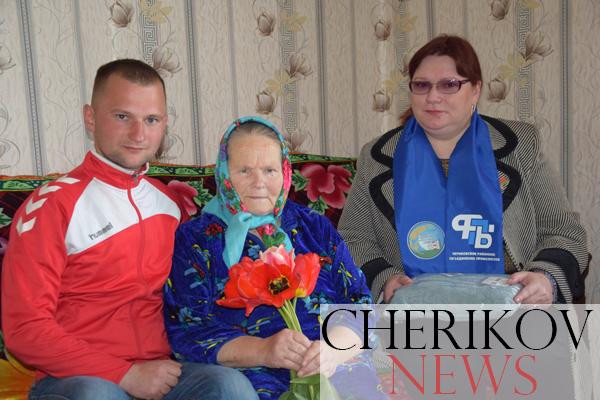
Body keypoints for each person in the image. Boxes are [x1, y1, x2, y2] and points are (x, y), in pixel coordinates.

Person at [1, 59, 256, 400]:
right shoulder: (52, 206)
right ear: (90, 118)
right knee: (96, 394)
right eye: (123, 116)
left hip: (161, 371)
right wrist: (123, 374)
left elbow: (193, 296)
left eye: (151, 120)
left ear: (164, 124)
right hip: (76, 378)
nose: (139, 134)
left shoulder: (169, 205)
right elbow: (24, 329)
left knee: (228, 385)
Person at [338, 35, 588, 305]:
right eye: (421, 85)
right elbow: (354, 238)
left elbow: (564, 231)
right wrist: (385, 279)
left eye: (449, 85)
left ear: (476, 90)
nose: (433, 97)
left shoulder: (521, 145)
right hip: (413, 309)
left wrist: (544, 277)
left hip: (513, 306)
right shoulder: (376, 156)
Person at [163, 116, 386, 399]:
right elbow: (187, 330)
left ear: (285, 172)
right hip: (253, 374)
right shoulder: (195, 239)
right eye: (245, 170)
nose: (259, 183)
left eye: (269, 170)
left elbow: (360, 303)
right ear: (224, 173)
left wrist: (332, 351)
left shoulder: (314, 227)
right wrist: (265, 350)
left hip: (336, 365)